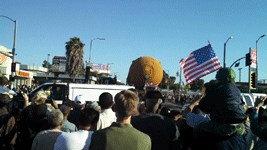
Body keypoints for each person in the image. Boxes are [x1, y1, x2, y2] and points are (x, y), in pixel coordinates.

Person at [191, 68, 248, 150]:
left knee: (198, 128)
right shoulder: (237, 90)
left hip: (220, 125)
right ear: (233, 80)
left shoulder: (215, 88)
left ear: (218, 79)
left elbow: (204, 108)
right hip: (239, 125)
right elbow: (241, 105)